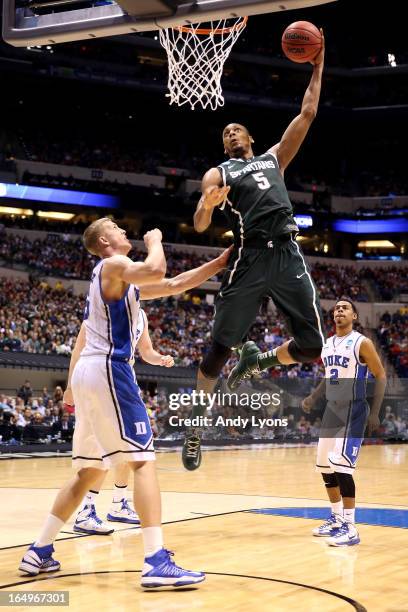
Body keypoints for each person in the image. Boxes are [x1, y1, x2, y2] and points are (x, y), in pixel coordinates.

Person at [19, 217, 230, 587]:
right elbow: (158, 267)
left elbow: (174, 283)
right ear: (104, 241)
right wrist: (157, 239)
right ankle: (155, 560)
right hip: (109, 370)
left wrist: (221, 262)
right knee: (144, 460)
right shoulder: (113, 264)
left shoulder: (122, 279)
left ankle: (39, 550)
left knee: (88, 471)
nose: (123, 231)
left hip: (90, 374)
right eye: (116, 228)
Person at [182, 33, 326, 470]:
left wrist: (319, 63)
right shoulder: (219, 171)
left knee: (312, 346)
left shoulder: (273, 158)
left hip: (287, 254)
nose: (229, 132)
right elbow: (201, 221)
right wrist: (206, 204)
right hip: (249, 258)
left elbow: (308, 112)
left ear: (249, 136)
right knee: (216, 352)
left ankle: (258, 359)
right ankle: (193, 427)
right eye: (225, 132)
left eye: (236, 129)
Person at [72, 308, 175, 535]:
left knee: (129, 448)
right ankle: (85, 510)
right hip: (104, 379)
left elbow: (146, 351)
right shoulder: (107, 307)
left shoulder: (142, 315)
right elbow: (79, 346)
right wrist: (70, 386)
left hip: (125, 381)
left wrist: (160, 359)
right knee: (103, 448)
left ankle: (118, 504)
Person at [302, 298, 386, 546]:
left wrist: (375, 412)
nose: (339, 310)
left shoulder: (362, 342)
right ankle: (336, 519)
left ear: (355, 316)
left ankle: (351, 527)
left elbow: (381, 375)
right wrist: (313, 397)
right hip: (332, 410)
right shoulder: (327, 344)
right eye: (336, 308)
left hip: (353, 408)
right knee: (324, 466)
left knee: (341, 466)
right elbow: (328, 377)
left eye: (345, 308)